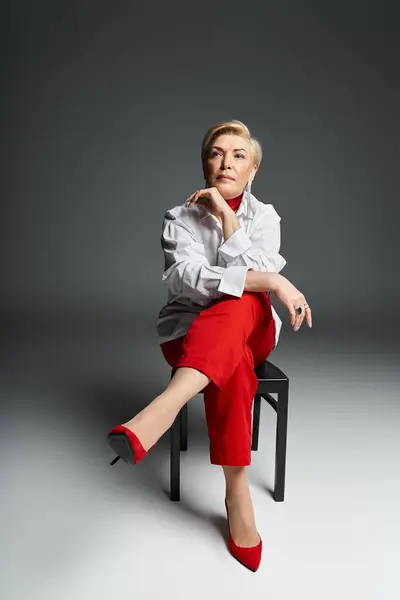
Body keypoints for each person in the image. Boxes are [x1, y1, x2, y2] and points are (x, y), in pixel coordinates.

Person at [108, 120, 312, 572]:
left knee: (242, 307)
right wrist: (274, 280)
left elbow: (246, 286)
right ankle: (237, 496)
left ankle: (162, 409)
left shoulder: (266, 217)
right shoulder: (178, 218)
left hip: (252, 330)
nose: (227, 162)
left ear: (252, 169)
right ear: (205, 163)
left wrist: (227, 216)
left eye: (239, 155)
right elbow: (188, 282)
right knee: (233, 350)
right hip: (187, 335)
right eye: (217, 153)